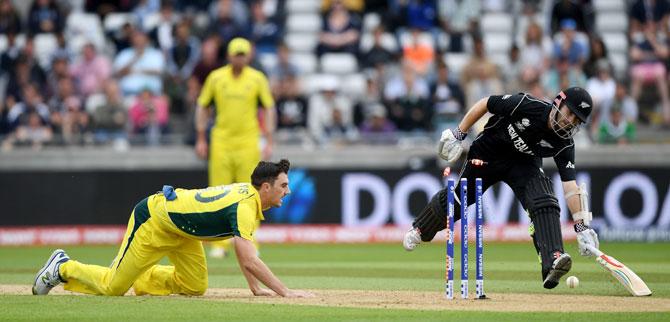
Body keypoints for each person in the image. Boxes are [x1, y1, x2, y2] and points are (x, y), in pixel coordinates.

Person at [403, 87, 600, 290]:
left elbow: (570, 186)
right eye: (570, 114)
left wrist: (582, 226)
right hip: (489, 152)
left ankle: (553, 260)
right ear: (559, 102)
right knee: (459, 200)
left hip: (524, 164)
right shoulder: (527, 105)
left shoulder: (565, 143)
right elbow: (486, 103)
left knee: (544, 200)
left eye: (577, 121)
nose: (571, 122)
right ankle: (421, 227)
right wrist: (459, 133)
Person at [32, 159, 314, 298]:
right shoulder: (245, 206)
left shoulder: (248, 199)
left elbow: (245, 255)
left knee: (195, 286)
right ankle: (62, 267)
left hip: (184, 232)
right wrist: (285, 291)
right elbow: (250, 258)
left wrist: (255, 288)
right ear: (266, 187)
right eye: (283, 186)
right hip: (155, 220)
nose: (287, 192)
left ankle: (142, 278)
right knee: (113, 287)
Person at [195, 37, 276, 258]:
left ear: (248, 56)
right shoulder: (216, 77)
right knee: (217, 193)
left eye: (243, 54)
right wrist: (201, 138)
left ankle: (250, 242)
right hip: (221, 141)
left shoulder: (257, 78)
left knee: (252, 193)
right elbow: (203, 106)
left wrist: (269, 140)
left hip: (248, 141)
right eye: (236, 54)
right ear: (229, 55)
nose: (239, 58)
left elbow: (268, 108)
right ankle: (219, 245)